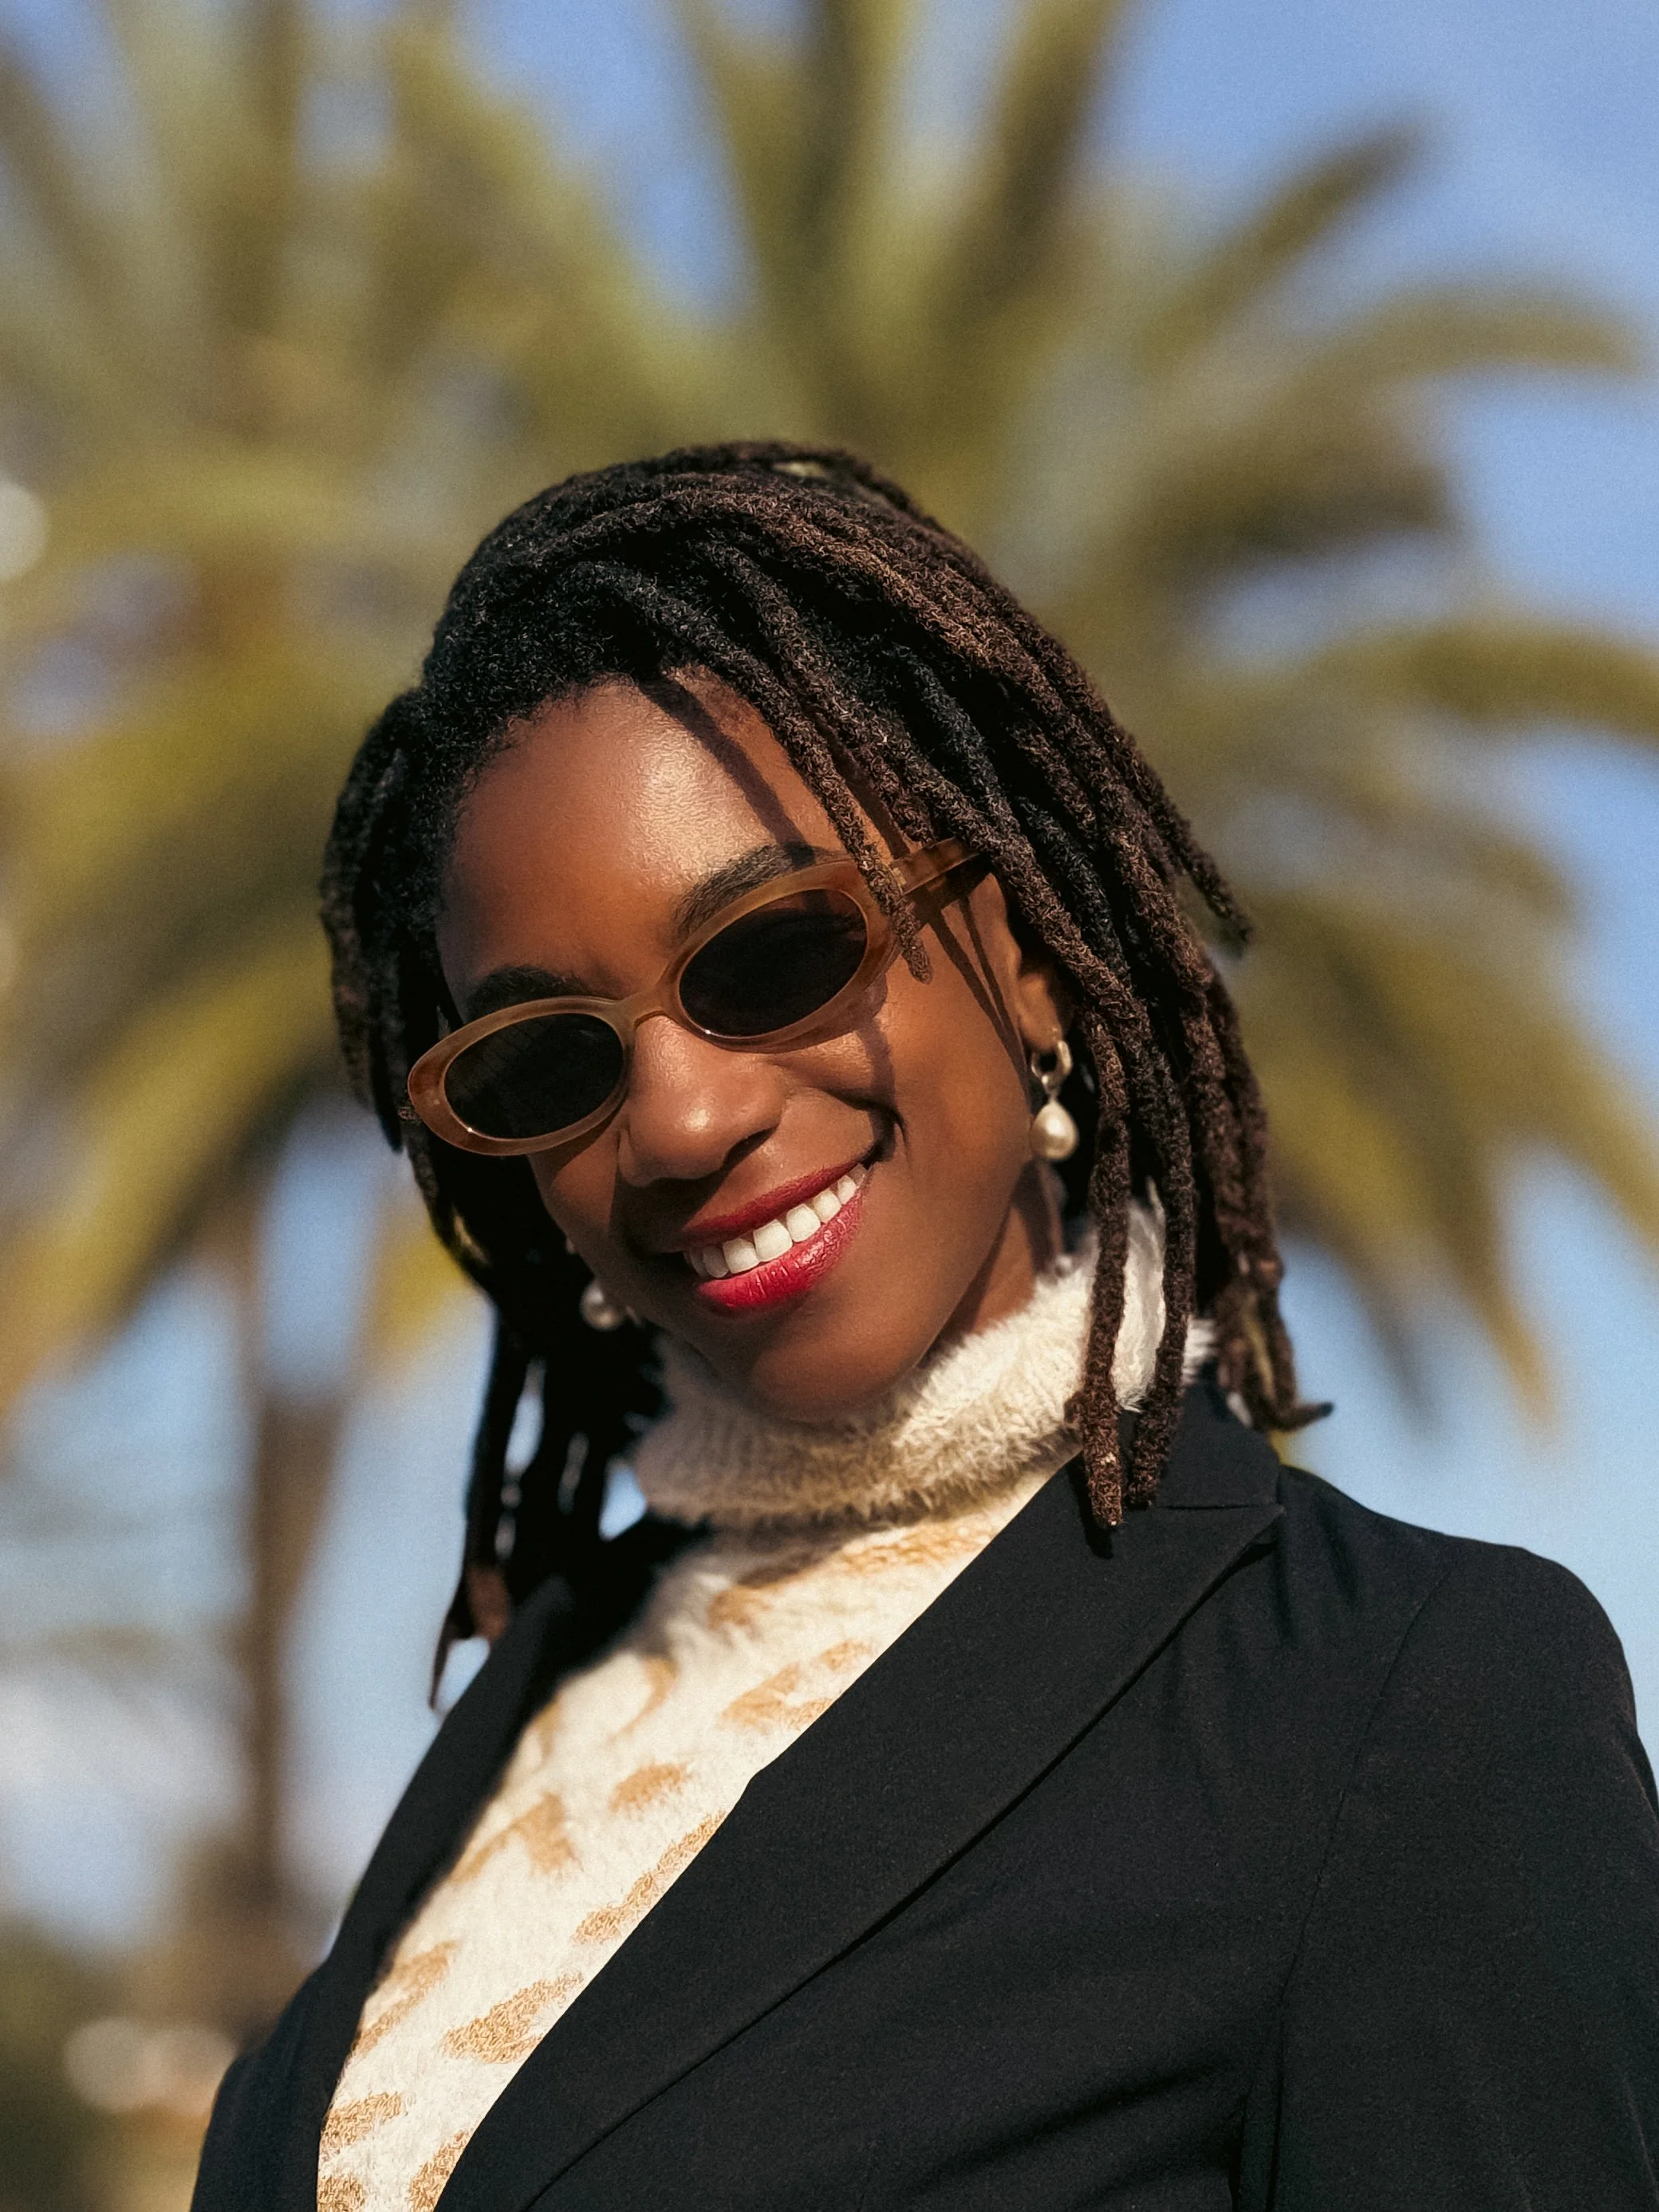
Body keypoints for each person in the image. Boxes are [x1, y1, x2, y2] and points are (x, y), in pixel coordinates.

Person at [192, 445, 1659, 2212]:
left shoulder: (1392, 1707)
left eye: (770, 953)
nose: (673, 1120)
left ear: (1026, 940)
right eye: (548, 1060)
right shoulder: (555, 1689)